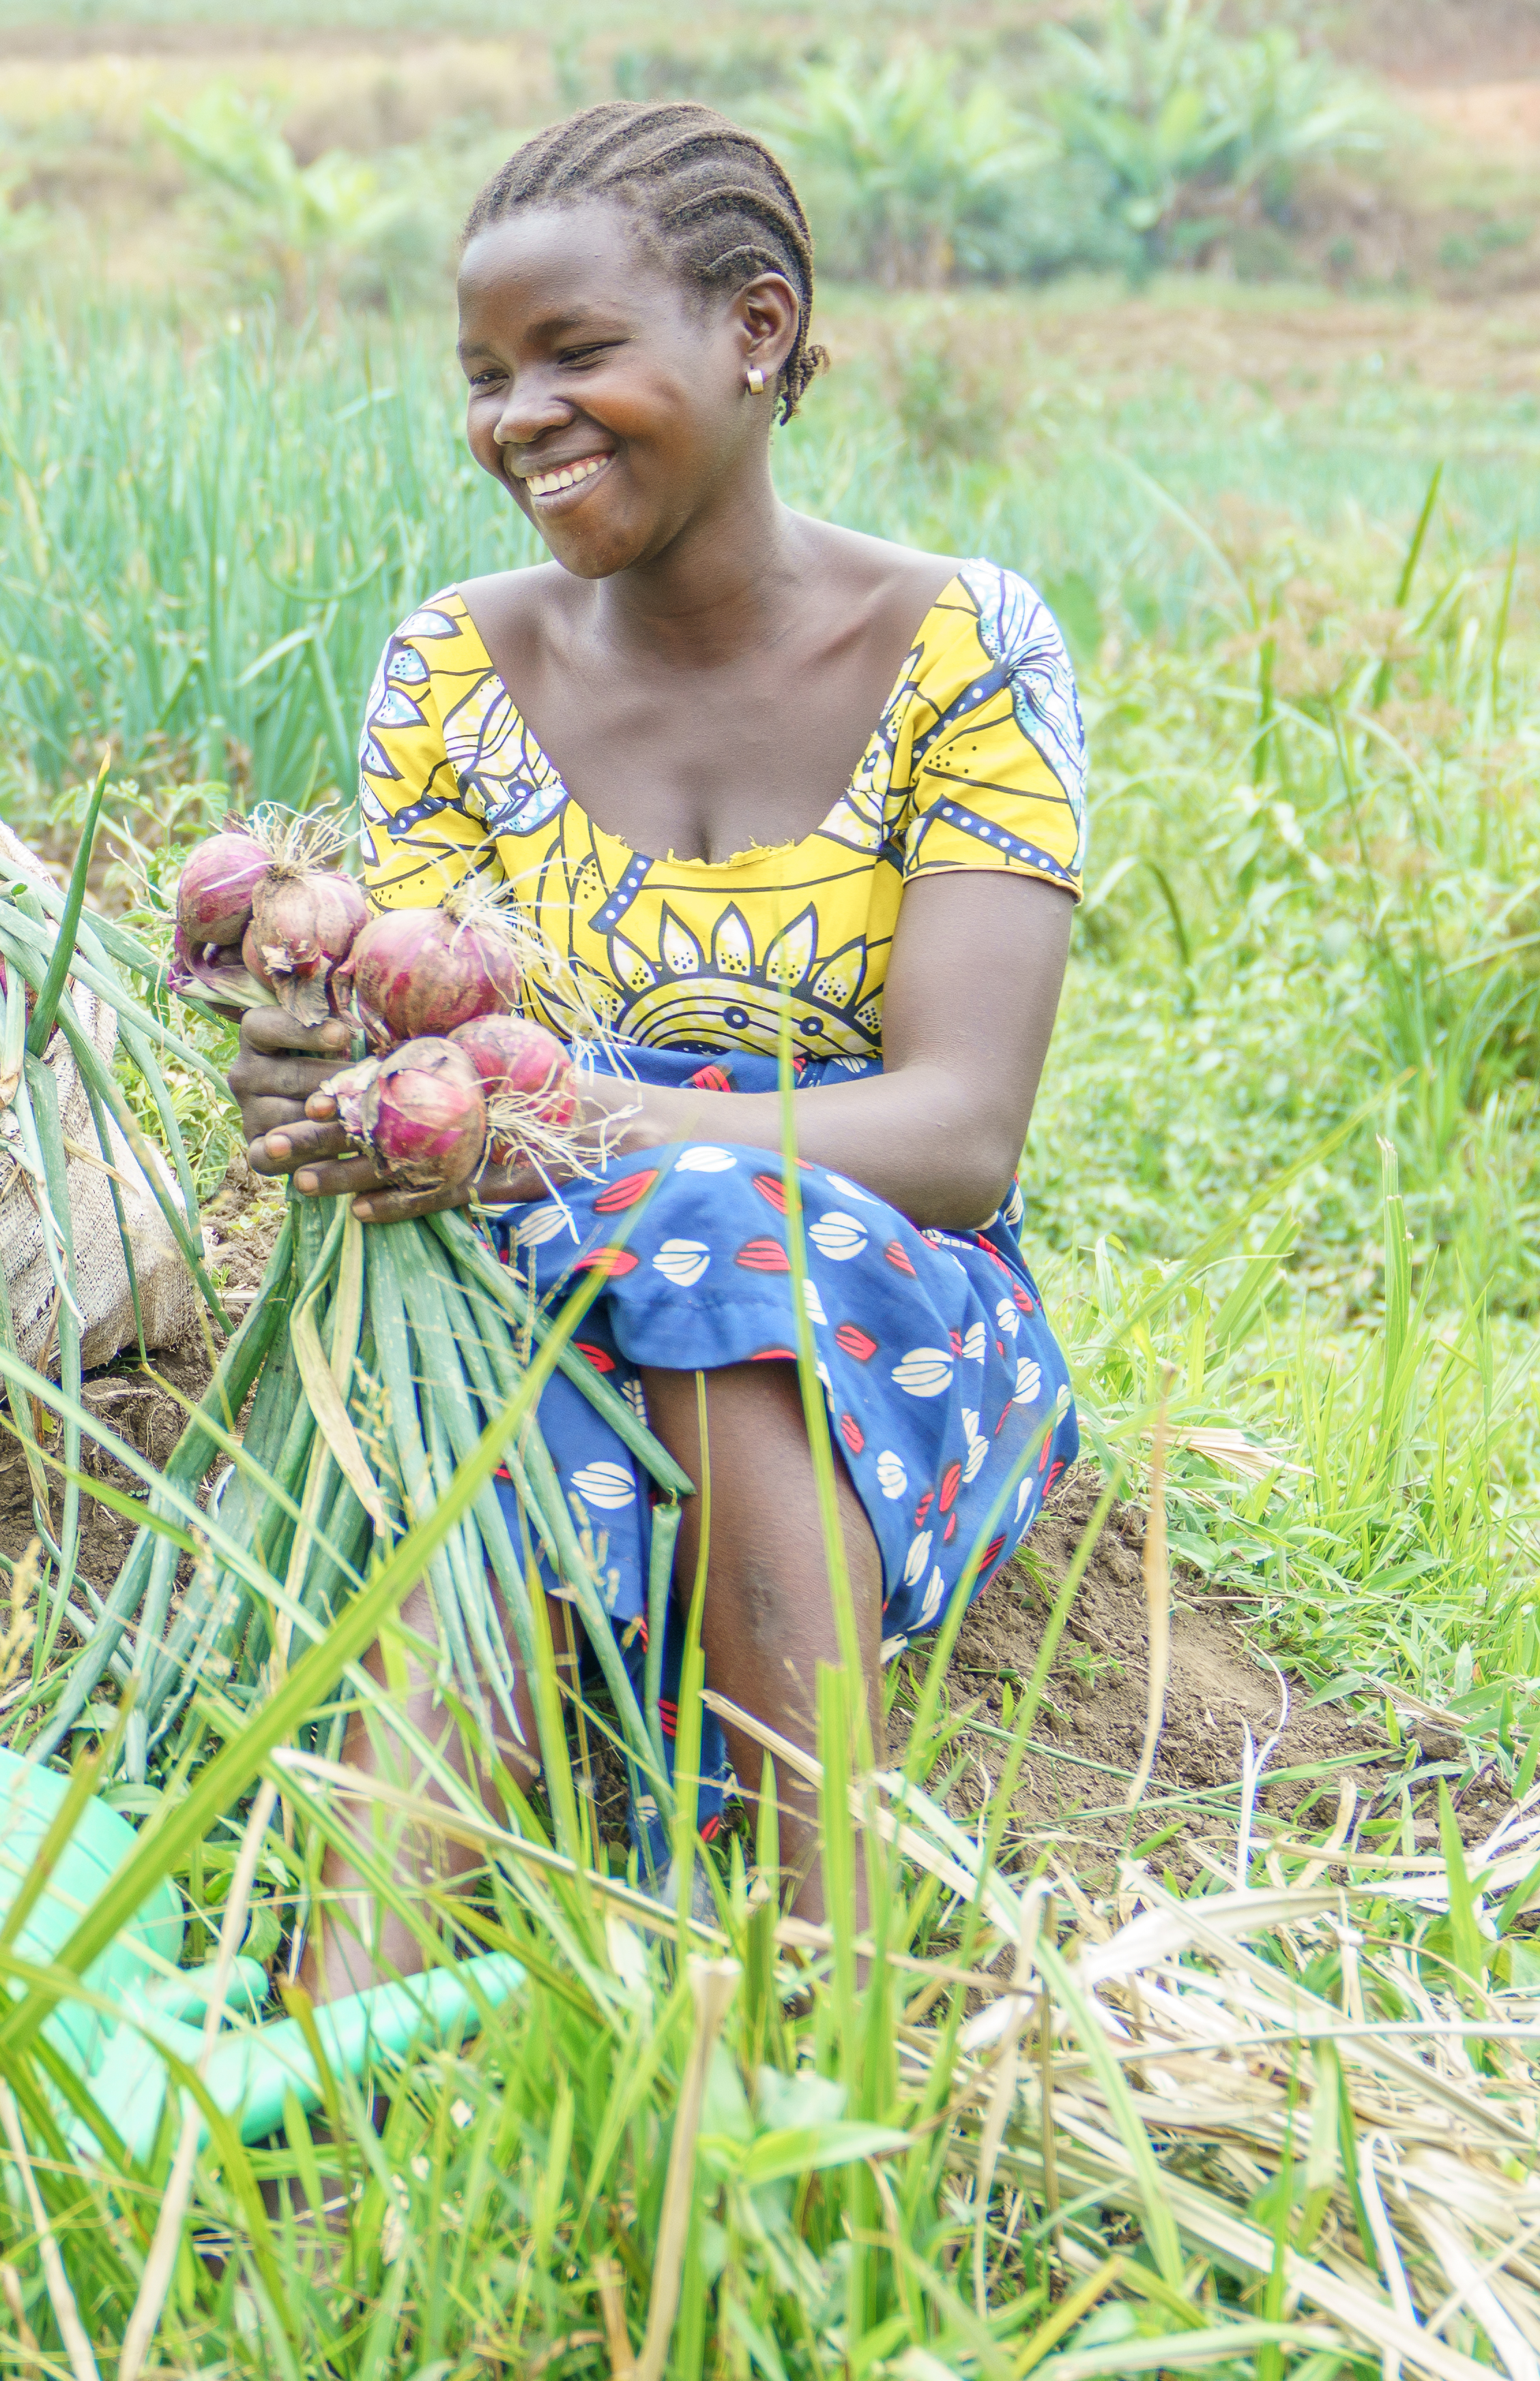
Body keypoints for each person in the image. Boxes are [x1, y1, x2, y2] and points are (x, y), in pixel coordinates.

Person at [230, 100, 1088, 1971]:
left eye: (576, 354)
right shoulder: (454, 664)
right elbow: (436, 1059)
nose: (517, 415)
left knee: (697, 1241)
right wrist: (337, 1087)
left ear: (757, 330)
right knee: (536, 1412)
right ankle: (322, 2075)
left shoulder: (963, 649)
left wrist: (609, 1125)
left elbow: (959, 1133)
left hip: (885, 1285)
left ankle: (814, 1965)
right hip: (531, 1278)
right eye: (483, 375)